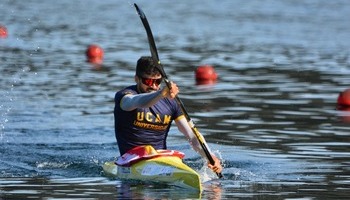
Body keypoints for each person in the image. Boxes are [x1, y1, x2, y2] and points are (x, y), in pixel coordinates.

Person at [114, 56, 222, 174]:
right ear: (136, 79)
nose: (154, 86)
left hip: (162, 159)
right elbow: (137, 102)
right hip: (132, 160)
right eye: (148, 81)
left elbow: (191, 135)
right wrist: (161, 93)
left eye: (158, 81)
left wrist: (209, 157)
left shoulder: (171, 102)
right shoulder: (125, 96)